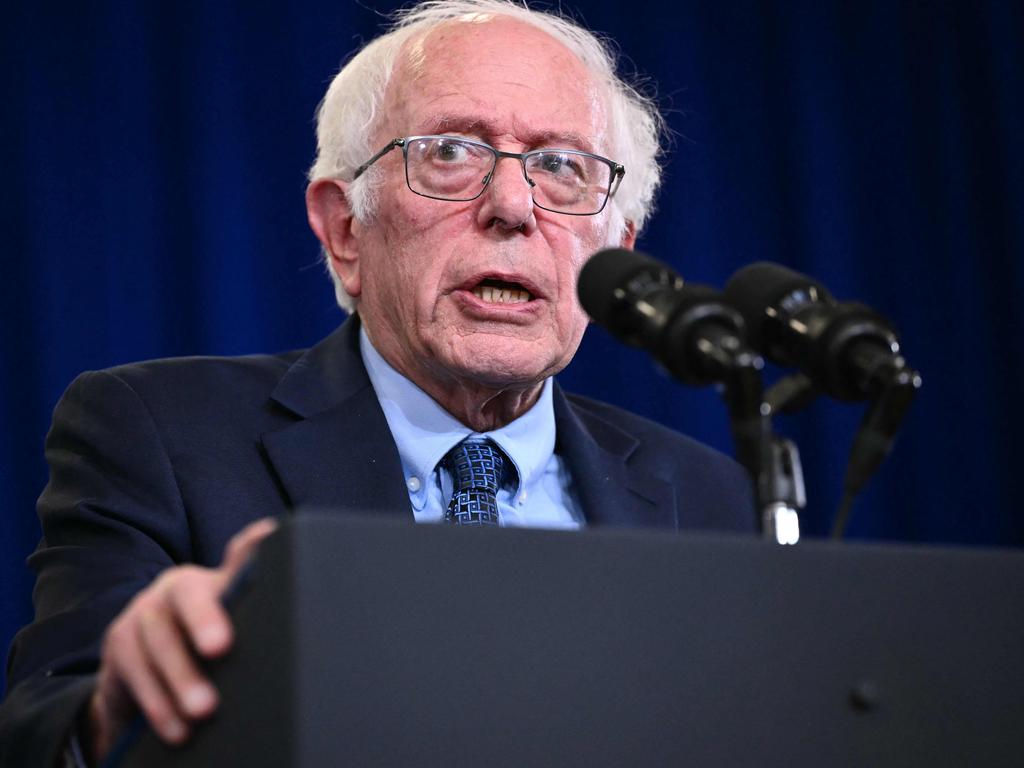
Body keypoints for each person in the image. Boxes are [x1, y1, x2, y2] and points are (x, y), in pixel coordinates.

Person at [0, 1, 754, 763]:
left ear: (615, 253)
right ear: (344, 228)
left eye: (561, 165)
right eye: (452, 152)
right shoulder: (157, 433)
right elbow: (41, 733)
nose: (513, 206)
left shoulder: (707, 497)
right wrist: (111, 710)